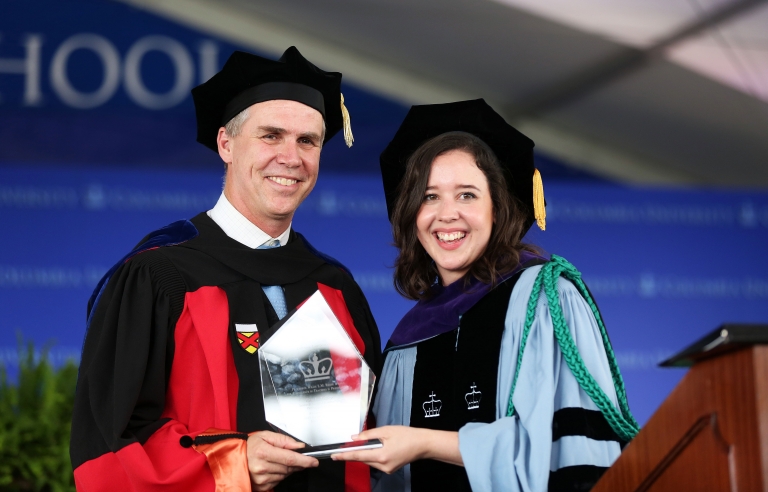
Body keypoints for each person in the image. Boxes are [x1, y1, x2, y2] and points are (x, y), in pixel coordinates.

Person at [70, 47, 382, 492]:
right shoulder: (160, 275)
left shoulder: (334, 286)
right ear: (226, 144)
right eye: (271, 135)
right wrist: (233, 462)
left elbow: (367, 444)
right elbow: (109, 446)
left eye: (308, 141)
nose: (291, 157)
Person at [333, 99, 638, 491]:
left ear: (499, 207)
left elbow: (568, 451)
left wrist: (425, 442)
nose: (447, 215)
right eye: (430, 196)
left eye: (467, 195)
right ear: (412, 214)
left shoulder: (545, 301)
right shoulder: (405, 342)